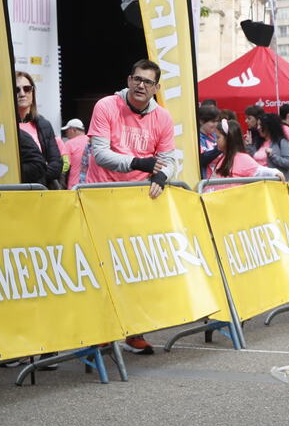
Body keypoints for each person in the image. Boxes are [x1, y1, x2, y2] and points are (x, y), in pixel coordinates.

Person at [86, 59, 179, 355]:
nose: (141, 85)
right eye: (137, 79)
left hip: (139, 203)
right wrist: (138, 163)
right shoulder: (106, 106)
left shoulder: (163, 117)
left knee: (135, 269)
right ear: (128, 80)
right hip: (102, 197)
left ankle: (133, 331)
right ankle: (101, 331)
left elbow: (171, 158)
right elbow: (100, 154)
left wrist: (163, 174)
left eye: (148, 82)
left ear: (156, 88)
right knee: (101, 268)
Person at [16, 71, 65, 189]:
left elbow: (56, 165)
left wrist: (38, 175)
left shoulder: (44, 125)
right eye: (17, 90)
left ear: (32, 92)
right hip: (13, 193)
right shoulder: (4, 128)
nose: (22, 94)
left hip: (41, 193)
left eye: (27, 88)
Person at [206, 120, 279, 182]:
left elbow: (259, 171)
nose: (216, 140)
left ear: (229, 139)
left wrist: (275, 173)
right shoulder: (223, 157)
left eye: (218, 137)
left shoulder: (243, 158)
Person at [258, 112, 289, 178]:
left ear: (269, 126)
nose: (258, 128)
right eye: (257, 125)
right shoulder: (258, 143)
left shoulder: (282, 142)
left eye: (261, 125)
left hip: (276, 183)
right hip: (259, 184)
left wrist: (273, 156)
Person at [61, 118, 89, 188]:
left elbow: (65, 167)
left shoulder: (69, 144)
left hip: (74, 186)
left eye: (67, 131)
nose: (66, 134)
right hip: (91, 185)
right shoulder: (91, 141)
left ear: (73, 130)